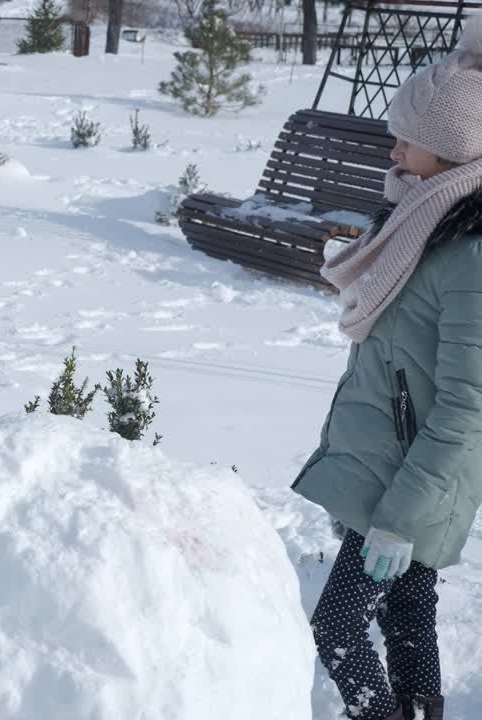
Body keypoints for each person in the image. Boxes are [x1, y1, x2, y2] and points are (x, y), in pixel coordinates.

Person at [292, 16, 482, 720]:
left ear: (454, 150)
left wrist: (400, 520)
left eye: (410, 135)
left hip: (409, 489)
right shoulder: (425, 220)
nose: (394, 144)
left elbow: (469, 408)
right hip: (393, 472)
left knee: (337, 627)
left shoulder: (470, 254)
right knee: (409, 613)